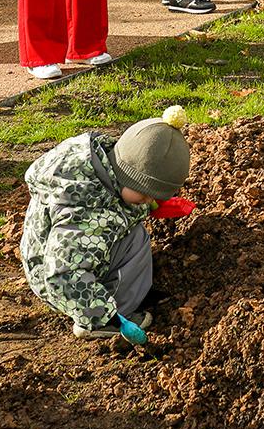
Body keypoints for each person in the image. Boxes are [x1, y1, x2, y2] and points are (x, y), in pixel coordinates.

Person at [19, 107, 191, 345]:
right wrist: (104, 314)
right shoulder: (90, 215)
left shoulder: (95, 163)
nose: (149, 201)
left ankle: (118, 293)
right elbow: (62, 275)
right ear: (129, 176)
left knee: (131, 233)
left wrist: (143, 203)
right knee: (135, 239)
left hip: (46, 260)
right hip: (62, 285)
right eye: (145, 195)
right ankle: (109, 317)